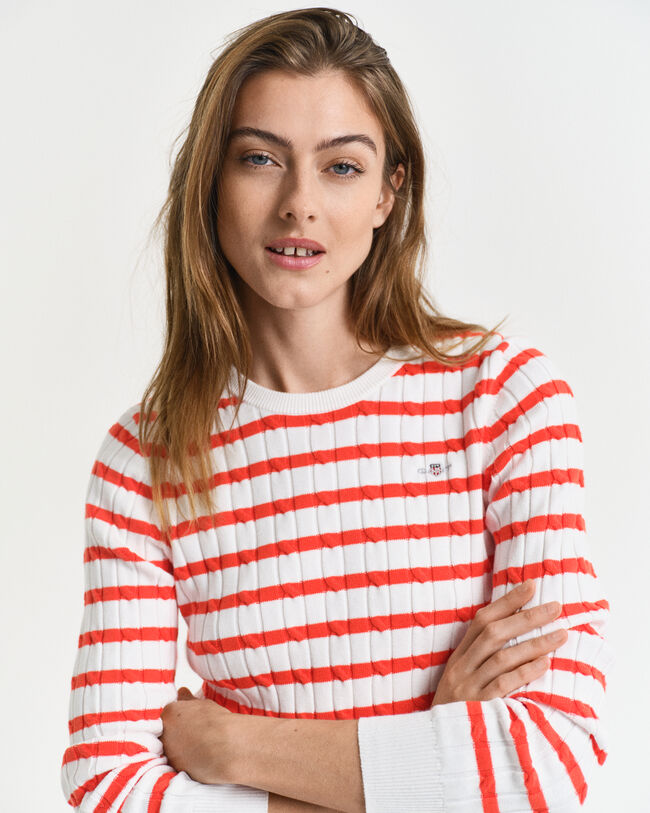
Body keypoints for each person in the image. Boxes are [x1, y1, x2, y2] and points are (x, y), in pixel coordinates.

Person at [60, 7, 614, 812]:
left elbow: (550, 757)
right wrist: (430, 748)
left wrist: (238, 747)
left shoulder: (504, 398)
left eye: (342, 166)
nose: (299, 204)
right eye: (260, 158)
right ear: (211, 178)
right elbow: (106, 785)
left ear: (391, 191)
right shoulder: (147, 460)